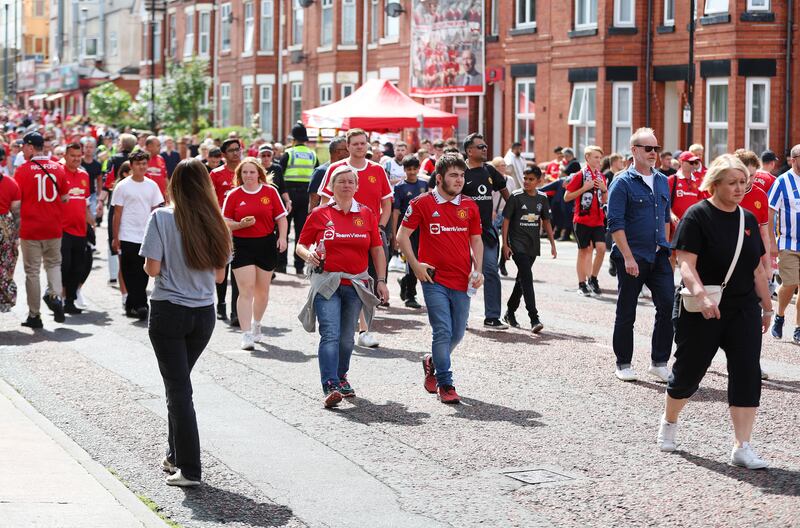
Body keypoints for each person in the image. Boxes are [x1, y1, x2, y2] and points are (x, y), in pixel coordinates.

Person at [658, 154, 773, 470]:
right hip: (701, 307)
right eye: (733, 183)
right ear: (716, 184)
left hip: (743, 307)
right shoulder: (697, 216)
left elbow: (757, 269)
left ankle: (742, 446)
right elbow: (685, 264)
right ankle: (669, 421)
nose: (740, 189)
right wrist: (701, 296)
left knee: (747, 371)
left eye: (743, 183)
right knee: (689, 372)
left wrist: (767, 306)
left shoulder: (747, 219)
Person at [141, 158, 232, 487]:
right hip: (203, 314)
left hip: (169, 309)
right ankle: (174, 455)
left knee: (179, 390)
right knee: (177, 386)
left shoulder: (161, 217)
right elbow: (220, 276)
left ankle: (190, 468)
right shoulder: (217, 222)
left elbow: (151, 269)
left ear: (174, 184)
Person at [296, 165, 388, 407]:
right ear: (331, 187)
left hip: (356, 282)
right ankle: (329, 384)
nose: (346, 185)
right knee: (330, 333)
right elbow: (301, 244)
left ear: (357, 187)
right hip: (327, 280)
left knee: (347, 338)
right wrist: (309, 255)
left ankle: (341, 376)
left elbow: (377, 249)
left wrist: (381, 281)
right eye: (341, 181)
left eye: (351, 181)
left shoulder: (367, 213)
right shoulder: (319, 213)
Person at [396, 153, 484, 404]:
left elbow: (476, 239)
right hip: (433, 279)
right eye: (454, 175)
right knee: (442, 332)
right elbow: (402, 237)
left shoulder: (469, 205)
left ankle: (432, 362)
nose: (459, 180)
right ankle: (446, 383)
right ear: (439, 178)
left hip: (462, 279)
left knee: (457, 333)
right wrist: (415, 265)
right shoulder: (422, 203)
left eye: (462, 175)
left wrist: (478, 269)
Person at [607, 128, 673, 382]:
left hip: (658, 255)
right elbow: (615, 222)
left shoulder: (662, 180)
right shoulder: (622, 182)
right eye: (648, 148)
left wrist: (664, 245)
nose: (654, 153)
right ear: (634, 150)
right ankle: (623, 363)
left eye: (656, 148)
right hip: (632, 256)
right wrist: (628, 257)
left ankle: (659, 362)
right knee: (627, 310)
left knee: (667, 305)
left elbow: (665, 217)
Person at [317, 129, 393, 348]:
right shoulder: (336, 169)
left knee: (369, 281)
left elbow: (386, 204)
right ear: (347, 146)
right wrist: (324, 232)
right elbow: (324, 202)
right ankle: (341, 326)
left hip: (370, 233)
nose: (360, 147)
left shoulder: (377, 170)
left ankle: (365, 330)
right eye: (356, 144)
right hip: (341, 236)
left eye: (363, 143)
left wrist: (379, 227)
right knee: (344, 281)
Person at [222, 157, 288, 350]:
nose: (248, 176)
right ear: (239, 175)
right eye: (244, 172)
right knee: (246, 289)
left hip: (266, 243)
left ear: (259, 174)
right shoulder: (234, 195)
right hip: (241, 245)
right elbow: (225, 221)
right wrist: (240, 225)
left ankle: (256, 323)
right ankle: (246, 334)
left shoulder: (270, 192)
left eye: (252, 172)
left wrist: (282, 238)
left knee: (262, 291)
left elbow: (282, 218)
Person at [15, 132, 69, 328]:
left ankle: (34, 315)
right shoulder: (58, 168)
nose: (22, 149)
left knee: (32, 272)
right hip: (53, 226)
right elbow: (65, 198)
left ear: (30, 147)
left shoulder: (22, 170)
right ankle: (55, 296)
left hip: (31, 228)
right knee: (54, 264)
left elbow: (16, 201)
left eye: (24, 146)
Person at [460, 132, 510, 329]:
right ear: (469, 151)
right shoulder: (460, 171)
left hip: (486, 232)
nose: (485, 149)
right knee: (463, 272)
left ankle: (492, 317)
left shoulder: (490, 170)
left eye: (485, 146)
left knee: (490, 270)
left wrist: (520, 211)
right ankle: (461, 316)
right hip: (462, 231)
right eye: (480, 147)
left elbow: (507, 195)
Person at [502, 166, 556, 332]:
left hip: (533, 245)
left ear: (539, 181)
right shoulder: (516, 197)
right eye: (525, 178)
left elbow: (546, 221)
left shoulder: (542, 198)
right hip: (517, 244)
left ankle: (510, 312)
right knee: (527, 277)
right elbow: (506, 221)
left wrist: (553, 244)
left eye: (531, 179)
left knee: (522, 279)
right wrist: (505, 244)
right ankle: (534, 317)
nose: (526, 182)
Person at [111, 150, 164, 320]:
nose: (141, 167)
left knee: (143, 272)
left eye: (144, 164)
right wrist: (115, 236)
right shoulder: (122, 186)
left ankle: (134, 304)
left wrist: (158, 235)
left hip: (145, 235)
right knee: (128, 271)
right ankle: (140, 304)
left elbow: (156, 211)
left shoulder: (152, 185)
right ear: (131, 165)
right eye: (138, 164)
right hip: (127, 234)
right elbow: (117, 213)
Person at [564, 145, 607, 297]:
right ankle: (581, 283)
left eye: (600, 158)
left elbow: (605, 199)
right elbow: (567, 196)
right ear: (587, 158)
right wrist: (584, 188)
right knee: (584, 251)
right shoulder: (580, 175)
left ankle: (593, 279)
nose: (598, 160)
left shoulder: (601, 176)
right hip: (582, 219)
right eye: (596, 157)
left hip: (598, 220)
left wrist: (603, 189)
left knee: (601, 249)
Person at [767, 144, 800, 343]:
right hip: (788, 242)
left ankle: (798, 327)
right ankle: (779, 315)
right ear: (793, 159)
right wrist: (771, 241)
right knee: (790, 282)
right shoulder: (782, 181)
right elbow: (770, 211)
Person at [210, 138, 242, 323]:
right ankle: (220, 303)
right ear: (223, 155)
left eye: (237, 149)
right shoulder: (215, 174)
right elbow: (209, 199)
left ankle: (236, 311)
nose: (235, 153)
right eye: (231, 150)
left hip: (241, 228)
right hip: (221, 228)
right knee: (222, 268)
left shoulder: (245, 172)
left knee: (238, 269)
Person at [279, 123, 318, 274]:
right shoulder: (312, 154)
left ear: (294, 139)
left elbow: (279, 175)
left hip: (289, 195)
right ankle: (299, 266)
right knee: (301, 231)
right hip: (306, 196)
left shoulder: (289, 153)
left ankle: (281, 264)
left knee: (284, 229)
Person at [59, 142, 92, 314]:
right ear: (65, 155)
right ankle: (58, 296)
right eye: (73, 156)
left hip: (80, 229)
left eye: (79, 156)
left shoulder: (84, 175)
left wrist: (91, 223)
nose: (76, 159)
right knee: (64, 265)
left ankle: (69, 301)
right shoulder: (58, 173)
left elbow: (85, 203)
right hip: (62, 229)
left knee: (77, 267)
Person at [392, 155, 429, 309]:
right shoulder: (400, 187)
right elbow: (395, 212)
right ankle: (410, 295)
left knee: (422, 260)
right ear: (404, 170)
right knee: (411, 261)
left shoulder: (424, 185)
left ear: (418, 169)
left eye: (415, 169)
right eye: (409, 169)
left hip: (423, 229)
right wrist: (394, 235)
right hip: (406, 231)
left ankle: (405, 282)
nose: (412, 172)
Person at [0, 164, 21, 312]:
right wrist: (17, 236)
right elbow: (16, 211)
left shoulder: (11, 183)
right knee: (6, 264)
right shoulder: (10, 183)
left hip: (6, 228)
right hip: (5, 227)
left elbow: (16, 211)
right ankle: (5, 298)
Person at [308, 136, 349, 211]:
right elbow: (314, 199)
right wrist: (312, 218)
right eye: (347, 149)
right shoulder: (321, 171)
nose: (350, 152)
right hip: (326, 217)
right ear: (338, 152)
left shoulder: (348, 170)